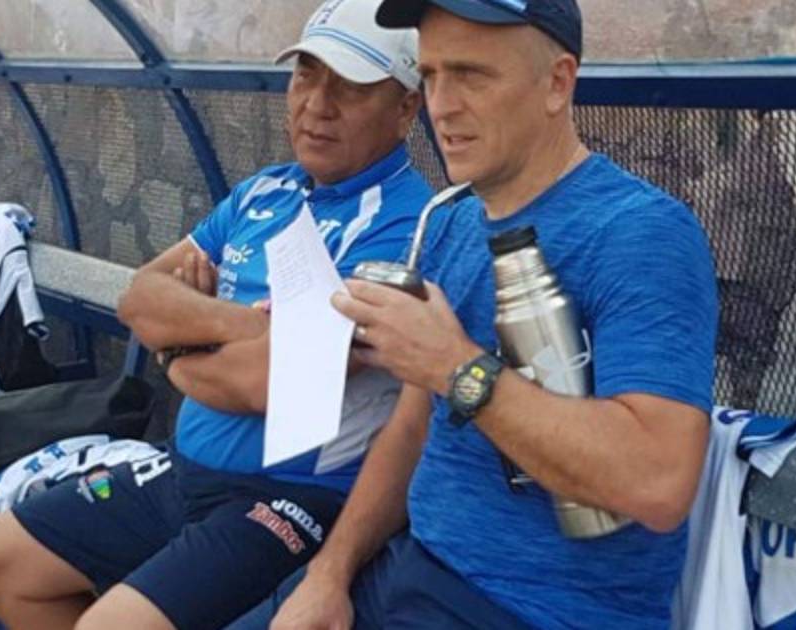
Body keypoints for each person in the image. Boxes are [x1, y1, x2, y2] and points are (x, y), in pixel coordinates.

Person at [0, 1, 433, 628]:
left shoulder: (408, 224)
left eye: (350, 86)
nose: (317, 104)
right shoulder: (265, 190)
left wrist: (178, 350)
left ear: (406, 108)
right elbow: (141, 296)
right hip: (184, 469)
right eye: (305, 75)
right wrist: (251, 327)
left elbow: (268, 382)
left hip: (288, 496)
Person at [265, 1, 719, 628]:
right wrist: (329, 574)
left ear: (557, 83)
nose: (441, 106)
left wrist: (456, 367)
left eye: (472, 75)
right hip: (407, 569)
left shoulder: (640, 233)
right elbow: (412, 428)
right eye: (430, 75)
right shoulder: (451, 219)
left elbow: (659, 484)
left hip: (530, 609)